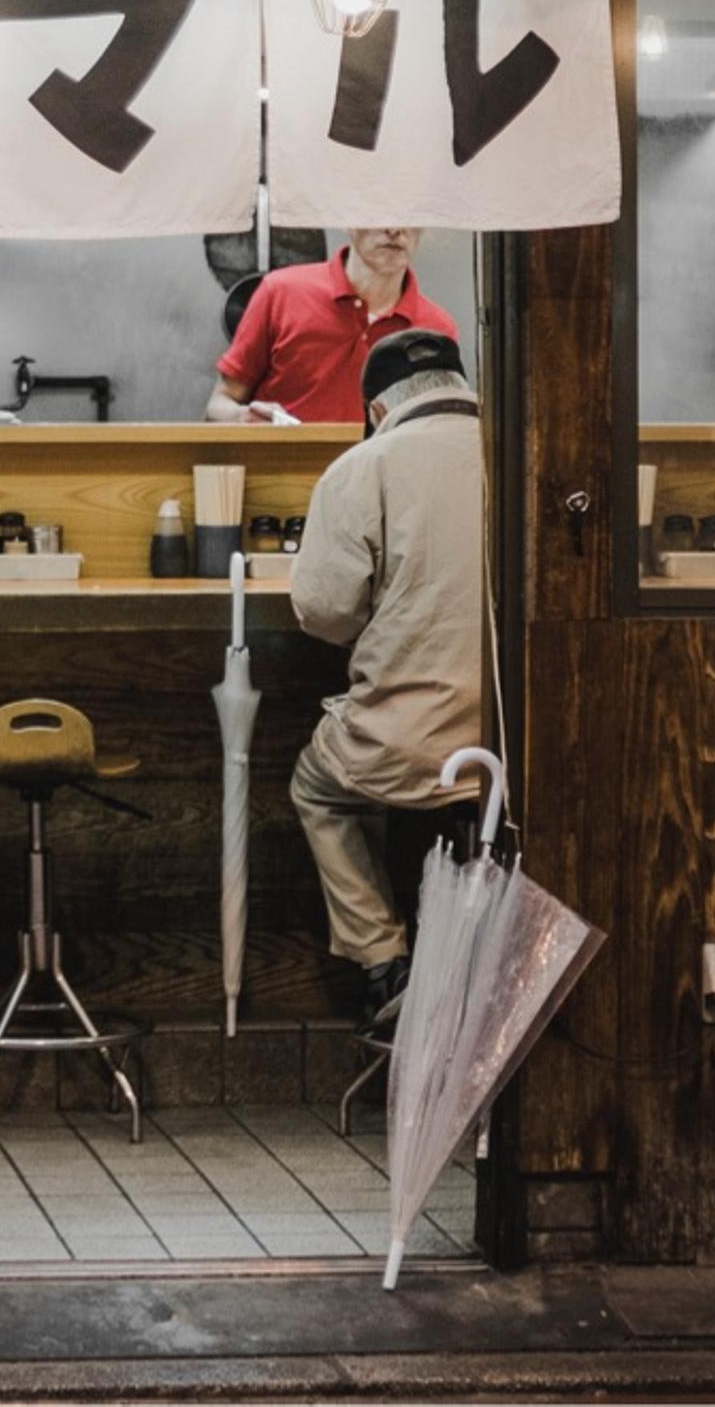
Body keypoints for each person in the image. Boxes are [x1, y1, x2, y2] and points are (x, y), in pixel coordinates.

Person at [286, 328, 487, 1031]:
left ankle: (386, 962)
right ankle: (480, 966)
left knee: (322, 788)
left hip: (404, 745)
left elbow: (324, 615)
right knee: (489, 811)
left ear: (377, 409)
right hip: (513, 748)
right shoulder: (525, 451)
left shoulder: (363, 467)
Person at [210, 227, 457, 424]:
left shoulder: (436, 328)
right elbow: (218, 405)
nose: (394, 229)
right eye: (378, 211)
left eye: (409, 215)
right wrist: (241, 417)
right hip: (287, 477)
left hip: (385, 482)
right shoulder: (280, 293)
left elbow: (442, 428)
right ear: (347, 220)